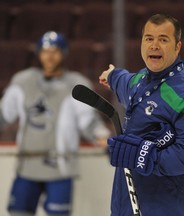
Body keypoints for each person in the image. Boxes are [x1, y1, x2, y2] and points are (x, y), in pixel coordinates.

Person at [99, 14, 184, 216]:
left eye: (163, 39)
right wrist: (112, 75)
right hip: (126, 206)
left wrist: (144, 156)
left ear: (177, 47)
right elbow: (124, 81)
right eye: (149, 38)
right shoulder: (140, 81)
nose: (154, 45)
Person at [0, 31, 110, 216]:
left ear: (64, 53)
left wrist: (103, 138)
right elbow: (3, 114)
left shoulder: (75, 84)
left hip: (60, 166)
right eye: (45, 50)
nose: (50, 55)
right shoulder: (23, 81)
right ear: (39, 53)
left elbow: (88, 121)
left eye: (55, 50)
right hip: (27, 166)